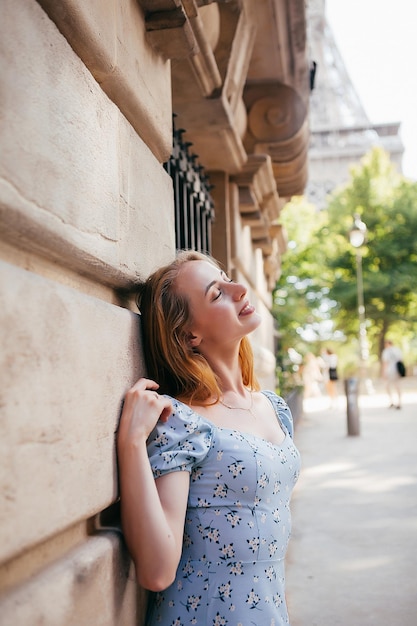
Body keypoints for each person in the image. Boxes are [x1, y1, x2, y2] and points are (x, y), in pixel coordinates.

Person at [117, 250, 301, 626]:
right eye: (217, 293)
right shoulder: (180, 423)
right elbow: (156, 572)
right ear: (189, 335)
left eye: (227, 277)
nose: (239, 288)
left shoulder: (274, 408)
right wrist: (131, 443)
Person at [381, 339, 403, 409]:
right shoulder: (397, 350)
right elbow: (401, 361)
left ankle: (392, 401)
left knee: (387, 386)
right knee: (397, 386)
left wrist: (383, 372)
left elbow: (385, 363)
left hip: (389, 371)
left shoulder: (386, 351)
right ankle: (399, 402)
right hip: (397, 371)